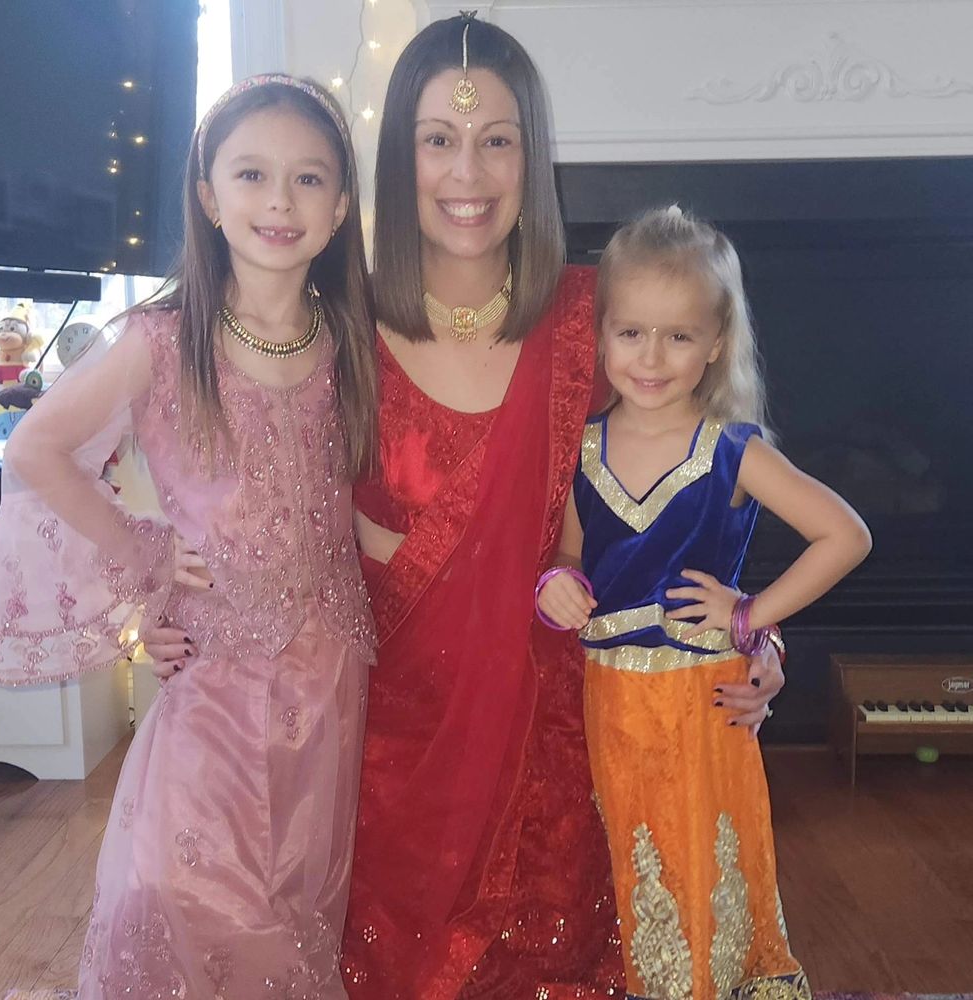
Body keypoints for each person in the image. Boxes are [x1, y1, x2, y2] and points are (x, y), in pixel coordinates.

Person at [146, 17, 785, 999]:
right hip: (375, 736)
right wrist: (163, 585)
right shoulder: (331, 315)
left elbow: (695, 478)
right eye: (438, 140)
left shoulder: (595, 317)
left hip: (558, 733)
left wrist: (748, 629)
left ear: (533, 155)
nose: (467, 173)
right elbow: (227, 470)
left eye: (497, 139)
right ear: (397, 158)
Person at [0, 74, 378, 999]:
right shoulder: (159, 341)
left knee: (299, 891)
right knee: (174, 882)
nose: (280, 201)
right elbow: (37, 447)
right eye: (251, 174)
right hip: (216, 661)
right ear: (207, 194)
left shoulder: (352, 340)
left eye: (310, 180)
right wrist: (147, 553)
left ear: (343, 203)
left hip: (331, 669)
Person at [536, 207, 872, 999]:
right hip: (610, 707)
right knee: (636, 872)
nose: (651, 357)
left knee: (706, 874)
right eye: (632, 333)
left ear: (716, 343)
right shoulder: (582, 447)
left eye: (679, 337)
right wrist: (556, 581)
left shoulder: (732, 451)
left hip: (700, 707)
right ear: (602, 333)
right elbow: (572, 553)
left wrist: (752, 617)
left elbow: (844, 535)